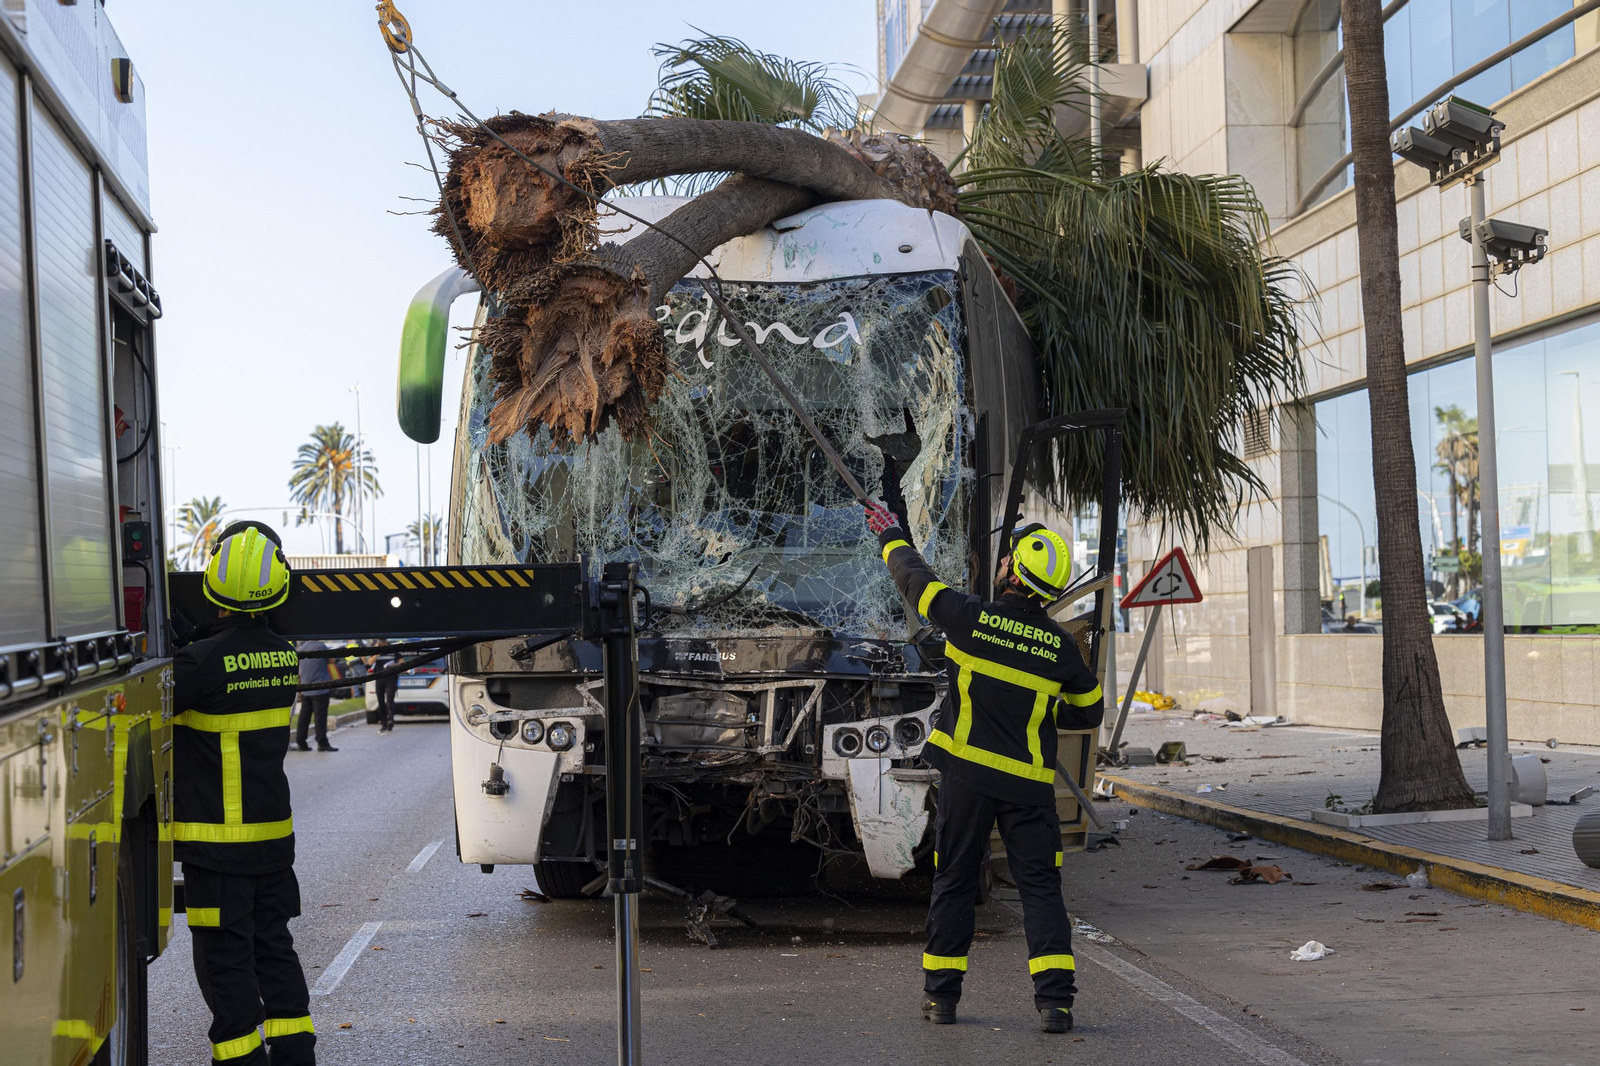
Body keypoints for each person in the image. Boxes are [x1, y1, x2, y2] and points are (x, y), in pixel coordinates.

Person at [865, 501, 1104, 1034]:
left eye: (1005, 562)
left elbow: (915, 581)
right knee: (1041, 890)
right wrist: (1044, 711)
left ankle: (941, 999)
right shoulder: (1063, 651)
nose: (999, 568)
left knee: (952, 881)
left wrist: (889, 533)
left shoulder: (971, 619)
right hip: (1029, 789)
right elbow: (1090, 712)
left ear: (1015, 573)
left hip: (967, 781)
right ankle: (1056, 1004)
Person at [173, 521, 316, 1065]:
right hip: (272, 843)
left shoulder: (200, 662)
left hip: (218, 848)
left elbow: (155, 697)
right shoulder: (283, 655)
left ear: (213, 587)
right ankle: (296, 1053)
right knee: (273, 949)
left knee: (226, 965)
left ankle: (240, 1060)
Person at [294, 640, 337, 752]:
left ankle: (301, 742)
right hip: (320, 689)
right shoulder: (321, 646)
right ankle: (322, 742)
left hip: (306, 689)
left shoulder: (302, 648)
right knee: (320, 718)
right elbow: (331, 660)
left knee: (304, 717)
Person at [367, 639, 401, 733]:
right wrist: (377, 652)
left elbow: (401, 662)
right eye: (380, 641)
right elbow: (370, 662)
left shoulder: (392, 648)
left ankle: (390, 720)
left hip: (391, 677)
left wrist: (395, 664)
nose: (382, 643)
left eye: (383, 641)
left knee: (390, 700)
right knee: (380, 701)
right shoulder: (376, 649)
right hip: (379, 678)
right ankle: (383, 723)